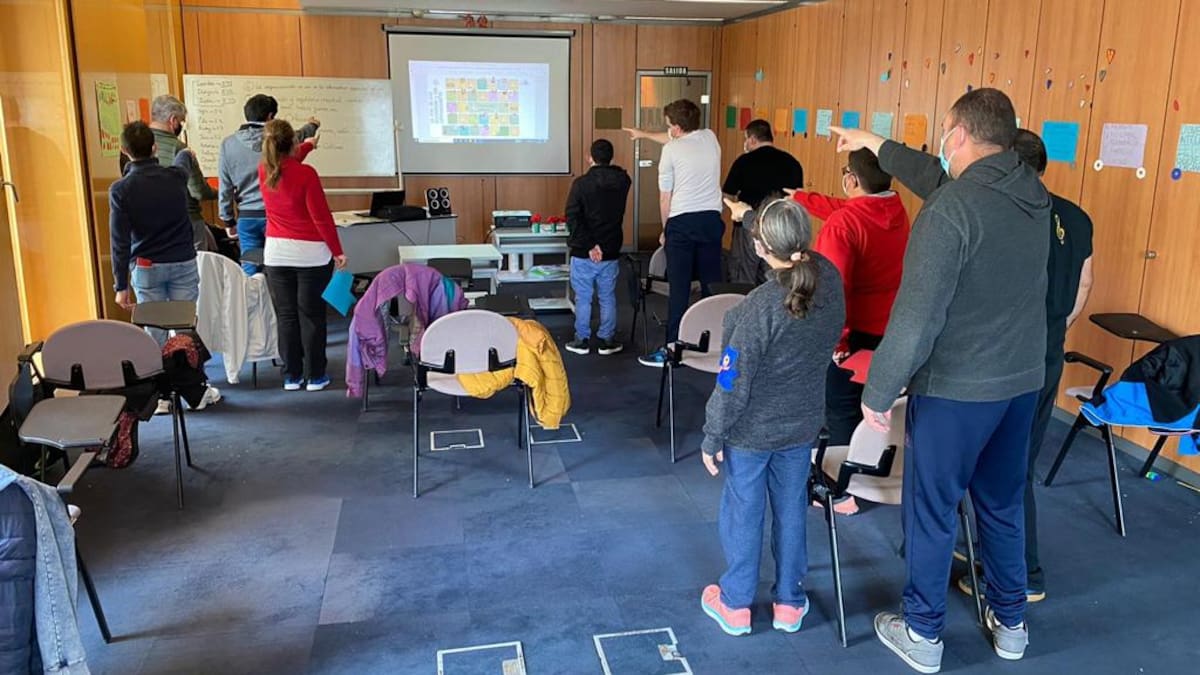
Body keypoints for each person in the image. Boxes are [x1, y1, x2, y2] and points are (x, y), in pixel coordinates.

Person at [832, 87, 1050, 673]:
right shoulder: (1032, 191)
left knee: (930, 509)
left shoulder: (950, 212)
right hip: (1021, 384)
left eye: (944, 138)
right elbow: (943, 178)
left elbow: (917, 316)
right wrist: (876, 144)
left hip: (957, 390)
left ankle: (923, 633)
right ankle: (1011, 625)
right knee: (1001, 504)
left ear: (956, 134)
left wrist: (878, 393)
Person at [954, 129, 1093, 604]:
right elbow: (1082, 288)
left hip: (1002, 360)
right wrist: (1056, 328)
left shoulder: (1007, 212)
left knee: (1002, 470)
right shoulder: (1077, 217)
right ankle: (981, 551)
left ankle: (1023, 574)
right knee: (1013, 464)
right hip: (1046, 353)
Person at [697, 198, 844, 637]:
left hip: (750, 433)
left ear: (759, 247)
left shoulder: (756, 308)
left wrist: (711, 435)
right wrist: (756, 221)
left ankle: (737, 605)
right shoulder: (830, 281)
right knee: (791, 509)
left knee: (743, 511)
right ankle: (789, 603)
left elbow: (731, 383)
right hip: (801, 425)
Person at [789, 149, 909, 516]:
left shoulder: (843, 226)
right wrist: (801, 198)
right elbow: (848, 208)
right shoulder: (896, 210)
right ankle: (879, 467)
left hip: (853, 333)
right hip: (891, 329)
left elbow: (831, 288)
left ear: (851, 178)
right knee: (877, 403)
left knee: (841, 407)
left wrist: (836, 342)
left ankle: (843, 494)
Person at [110, 121, 221, 412]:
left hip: (146, 267)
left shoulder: (121, 189)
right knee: (184, 328)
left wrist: (120, 286)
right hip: (183, 262)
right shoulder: (174, 177)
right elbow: (183, 161)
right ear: (155, 147)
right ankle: (193, 391)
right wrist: (187, 151)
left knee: (154, 331)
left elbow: (119, 241)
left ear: (123, 151)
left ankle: (158, 397)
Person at [624, 99, 724, 367]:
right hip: (712, 221)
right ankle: (714, 344)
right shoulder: (710, 137)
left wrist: (665, 230)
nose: (667, 130)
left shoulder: (671, 151)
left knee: (678, 290)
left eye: (669, 126)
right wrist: (644, 134)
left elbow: (664, 198)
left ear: (677, 128)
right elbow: (672, 137)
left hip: (681, 222)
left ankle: (672, 350)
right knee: (712, 287)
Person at [260, 118, 347, 392]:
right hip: (311, 256)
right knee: (311, 316)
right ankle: (316, 376)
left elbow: (288, 162)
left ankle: (292, 376)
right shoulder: (307, 174)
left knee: (287, 317)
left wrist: (308, 145)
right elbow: (321, 218)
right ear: (293, 143)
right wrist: (338, 251)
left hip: (276, 255)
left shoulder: (264, 170)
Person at [218, 94, 320, 274]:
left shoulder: (228, 144)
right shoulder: (279, 141)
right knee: (278, 270)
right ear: (270, 117)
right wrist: (313, 125)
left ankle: (252, 301)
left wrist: (228, 220)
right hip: (276, 217)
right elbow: (301, 135)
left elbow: (225, 186)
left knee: (250, 270)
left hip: (247, 216)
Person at [564, 138, 632, 356]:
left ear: (589, 157)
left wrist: (591, 245)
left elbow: (573, 217)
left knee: (583, 297)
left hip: (584, 251)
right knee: (607, 296)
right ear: (611, 157)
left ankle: (582, 339)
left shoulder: (581, 184)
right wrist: (600, 245)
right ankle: (606, 340)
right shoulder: (623, 181)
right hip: (610, 248)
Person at [722, 119, 804, 285]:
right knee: (773, 279)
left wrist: (734, 213)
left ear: (752, 139)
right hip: (779, 228)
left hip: (747, 227)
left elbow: (728, 194)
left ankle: (745, 308)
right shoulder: (792, 163)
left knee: (742, 275)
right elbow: (797, 198)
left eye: (746, 139)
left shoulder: (744, 162)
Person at [147, 95, 219, 253]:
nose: (181, 125)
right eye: (181, 121)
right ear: (173, 120)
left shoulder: (138, 144)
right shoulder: (179, 149)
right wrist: (221, 193)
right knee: (196, 268)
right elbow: (198, 192)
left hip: (150, 221)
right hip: (186, 219)